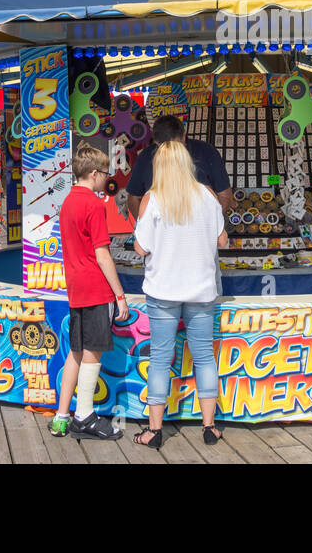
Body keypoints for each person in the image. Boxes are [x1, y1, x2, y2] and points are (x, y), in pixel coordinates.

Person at [131, 139, 228, 450]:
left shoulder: (153, 199)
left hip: (162, 291)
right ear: (188, 164)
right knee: (204, 358)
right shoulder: (208, 196)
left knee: (160, 360)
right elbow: (222, 241)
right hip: (201, 290)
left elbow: (141, 248)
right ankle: (209, 427)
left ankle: (154, 430)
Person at [48, 144, 129, 441]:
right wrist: (120, 294)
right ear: (94, 173)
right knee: (93, 353)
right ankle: (84, 414)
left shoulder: (68, 201)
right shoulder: (94, 204)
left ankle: (61, 416)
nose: (106, 178)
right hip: (96, 289)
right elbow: (103, 254)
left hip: (76, 288)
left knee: (76, 351)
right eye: (105, 173)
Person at [126, 114, 233, 219]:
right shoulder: (146, 157)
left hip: (200, 230)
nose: (173, 152)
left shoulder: (206, 152)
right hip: (162, 233)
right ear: (156, 142)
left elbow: (225, 196)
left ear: (184, 135)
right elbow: (133, 198)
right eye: (165, 148)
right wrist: (144, 227)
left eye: (176, 146)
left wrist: (210, 225)